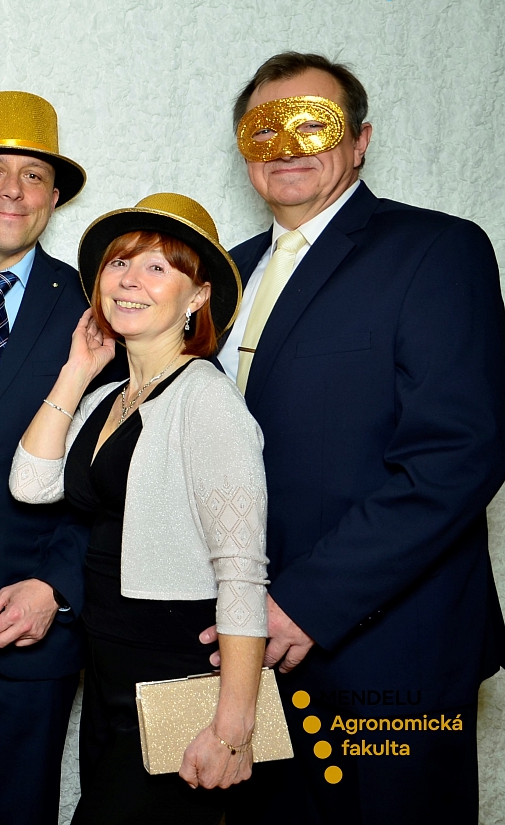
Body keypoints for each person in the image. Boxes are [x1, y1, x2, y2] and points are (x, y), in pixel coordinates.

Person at [207, 51, 505, 823]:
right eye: (264, 129)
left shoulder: (436, 250)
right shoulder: (226, 276)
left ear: (361, 140)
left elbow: (457, 454)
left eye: (314, 124)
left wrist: (306, 603)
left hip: (390, 651)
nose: (287, 145)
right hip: (247, 652)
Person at [9, 193, 268, 823]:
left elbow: (241, 570)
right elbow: (32, 484)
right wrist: (78, 369)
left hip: (176, 672)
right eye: (120, 263)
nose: (129, 280)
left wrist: (234, 725)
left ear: (198, 296)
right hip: (106, 665)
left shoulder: (206, 399)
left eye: (157, 268)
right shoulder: (111, 396)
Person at [0, 90, 125, 824]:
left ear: (53, 198)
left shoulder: (99, 308)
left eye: (34, 175)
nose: (12, 190)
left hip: (25, 625)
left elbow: (121, 473)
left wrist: (56, 585)